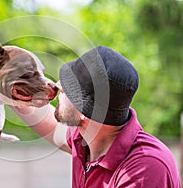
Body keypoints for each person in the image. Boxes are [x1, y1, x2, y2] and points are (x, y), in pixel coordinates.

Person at [13, 46, 181, 188]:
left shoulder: (144, 169)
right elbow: (47, 121)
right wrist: (12, 92)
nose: (58, 86)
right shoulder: (87, 139)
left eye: (69, 89)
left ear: (85, 113)